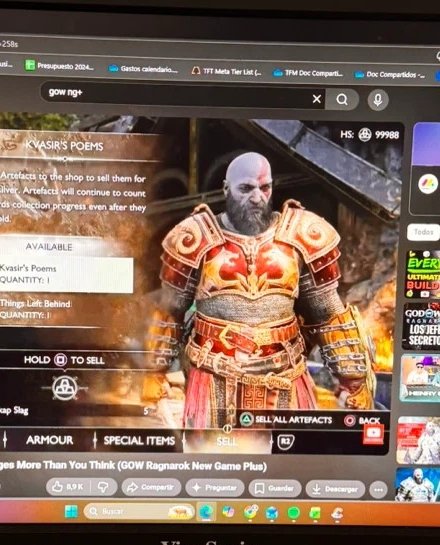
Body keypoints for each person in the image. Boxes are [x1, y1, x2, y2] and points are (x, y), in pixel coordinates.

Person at [143, 152, 375, 428]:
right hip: (213, 376)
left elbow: (327, 312)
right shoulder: (194, 237)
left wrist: (353, 379)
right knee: (212, 453)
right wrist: (153, 371)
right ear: (226, 189)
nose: (257, 197)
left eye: (265, 188)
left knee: (290, 451)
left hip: (286, 373)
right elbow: (170, 309)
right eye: (246, 188)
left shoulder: (302, 234)